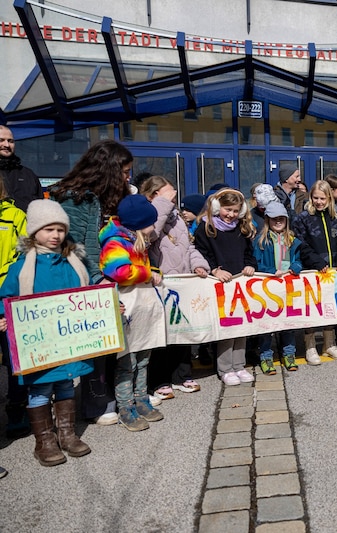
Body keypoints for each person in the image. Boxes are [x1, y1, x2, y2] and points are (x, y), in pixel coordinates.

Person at [0, 200, 92, 465]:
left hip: (68, 341)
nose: (55, 236)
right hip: (39, 344)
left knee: (65, 384)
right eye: (49, 229)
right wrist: (4, 316)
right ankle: (45, 441)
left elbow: (86, 297)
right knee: (39, 389)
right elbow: (6, 298)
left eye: (60, 230)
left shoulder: (72, 263)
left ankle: (67, 434)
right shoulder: (22, 267)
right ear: (34, 232)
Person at [48, 140, 133, 425]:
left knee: (106, 343)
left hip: (97, 277)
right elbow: (77, 247)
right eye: (124, 171)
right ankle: (94, 402)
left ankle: (100, 397)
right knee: (94, 343)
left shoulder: (100, 198)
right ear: (108, 170)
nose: (127, 177)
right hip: (79, 280)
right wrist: (98, 282)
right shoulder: (75, 198)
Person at [139, 176, 209, 398]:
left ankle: (181, 375)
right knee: (163, 335)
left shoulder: (177, 217)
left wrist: (198, 264)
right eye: (168, 193)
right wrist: (161, 205)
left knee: (183, 332)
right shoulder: (148, 214)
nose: (173, 197)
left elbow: (188, 247)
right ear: (153, 195)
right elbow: (148, 237)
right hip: (161, 282)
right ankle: (159, 380)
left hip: (183, 283)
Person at [99, 194, 164, 431]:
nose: (154, 227)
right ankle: (126, 407)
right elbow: (119, 271)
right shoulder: (116, 242)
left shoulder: (138, 241)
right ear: (138, 223)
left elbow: (145, 267)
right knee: (128, 361)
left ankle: (142, 399)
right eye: (151, 222)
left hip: (142, 309)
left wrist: (153, 271)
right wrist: (147, 274)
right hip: (127, 307)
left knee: (144, 358)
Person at [193, 188, 258, 385]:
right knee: (226, 329)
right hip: (219, 285)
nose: (230, 215)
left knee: (242, 328)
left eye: (235, 211)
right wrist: (214, 270)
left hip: (239, 284)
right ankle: (225, 368)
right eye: (227, 210)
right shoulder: (205, 228)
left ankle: (239, 365)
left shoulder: (242, 228)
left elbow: (249, 253)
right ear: (216, 207)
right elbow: (201, 254)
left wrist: (250, 265)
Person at [291, 180, 337, 364]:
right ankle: (310, 346)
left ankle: (329, 344)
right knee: (312, 308)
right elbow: (301, 244)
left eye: (322, 198)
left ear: (329, 198)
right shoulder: (302, 218)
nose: (319, 202)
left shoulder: (336, 217)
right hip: (313, 271)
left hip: (331, 271)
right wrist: (316, 261)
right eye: (315, 197)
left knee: (329, 307)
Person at [253, 199, 304, 373]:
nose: (278, 222)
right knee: (267, 325)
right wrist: (270, 271)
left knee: (287, 323)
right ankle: (266, 356)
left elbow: (299, 261)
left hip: (287, 287)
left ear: (286, 220)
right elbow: (256, 263)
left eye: (281, 218)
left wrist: (294, 268)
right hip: (268, 287)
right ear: (267, 220)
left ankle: (289, 353)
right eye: (274, 219)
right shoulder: (261, 240)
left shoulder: (292, 240)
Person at [0, 176, 28, 439]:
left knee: (14, 359)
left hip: (7, 296)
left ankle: (17, 409)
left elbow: (24, 254)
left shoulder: (15, 215)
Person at [0, 125, 43, 212]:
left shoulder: (28, 174)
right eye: (1, 140)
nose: (7, 145)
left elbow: (40, 205)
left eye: (10, 141)